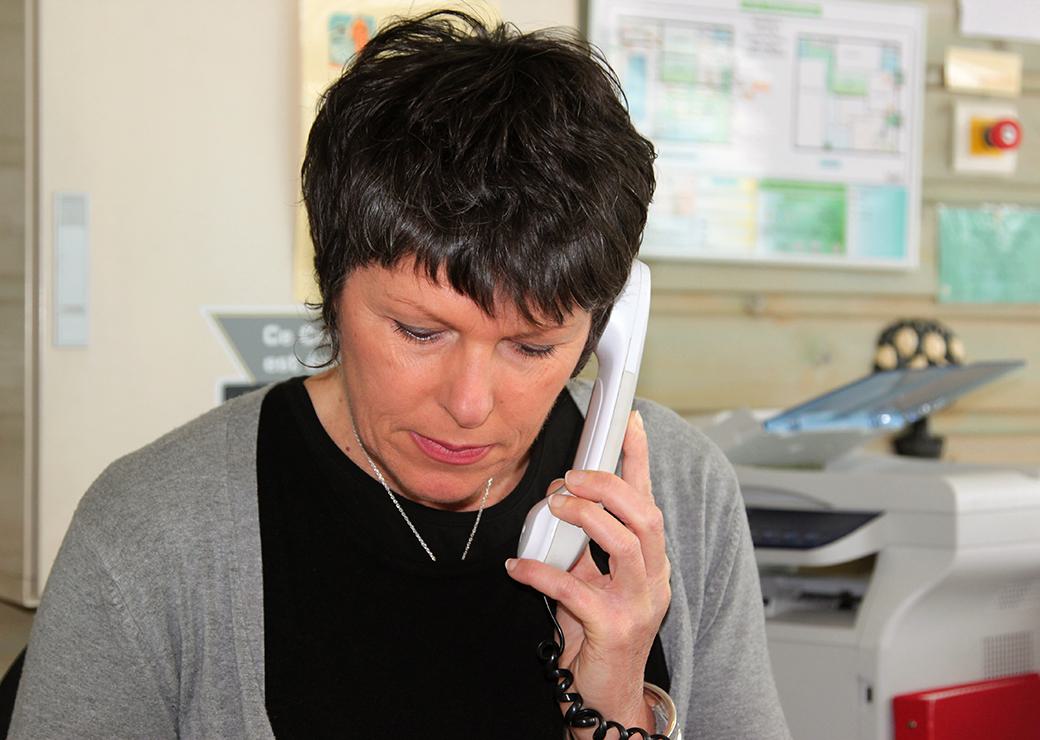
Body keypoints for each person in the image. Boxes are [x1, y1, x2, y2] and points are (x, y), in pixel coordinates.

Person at [9, 11, 789, 739]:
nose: (469, 404)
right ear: (332, 286)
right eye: (420, 331)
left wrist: (613, 702)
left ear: (606, 332)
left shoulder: (678, 501)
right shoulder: (156, 533)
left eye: (532, 347)